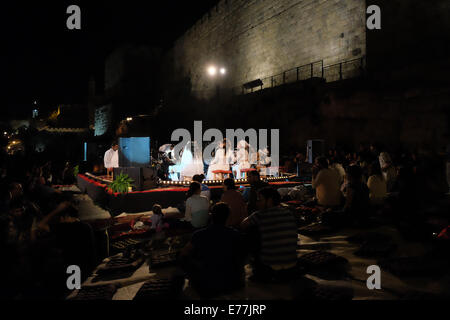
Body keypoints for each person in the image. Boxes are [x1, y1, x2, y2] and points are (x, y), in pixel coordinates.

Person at [180, 203, 245, 297]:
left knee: (183, 257)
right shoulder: (236, 234)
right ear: (228, 217)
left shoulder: (199, 234)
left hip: (206, 282)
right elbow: (243, 256)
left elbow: (184, 253)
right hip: (232, 282)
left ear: (211, 215)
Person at [241, 187, 298, 280]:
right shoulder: (288, 212)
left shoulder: (259, 215)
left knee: (250, 231)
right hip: (292, 263)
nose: (257, 203)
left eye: (260, 199)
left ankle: (257, 267)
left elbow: (243, 225)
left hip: (270, 265)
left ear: (270, 200)